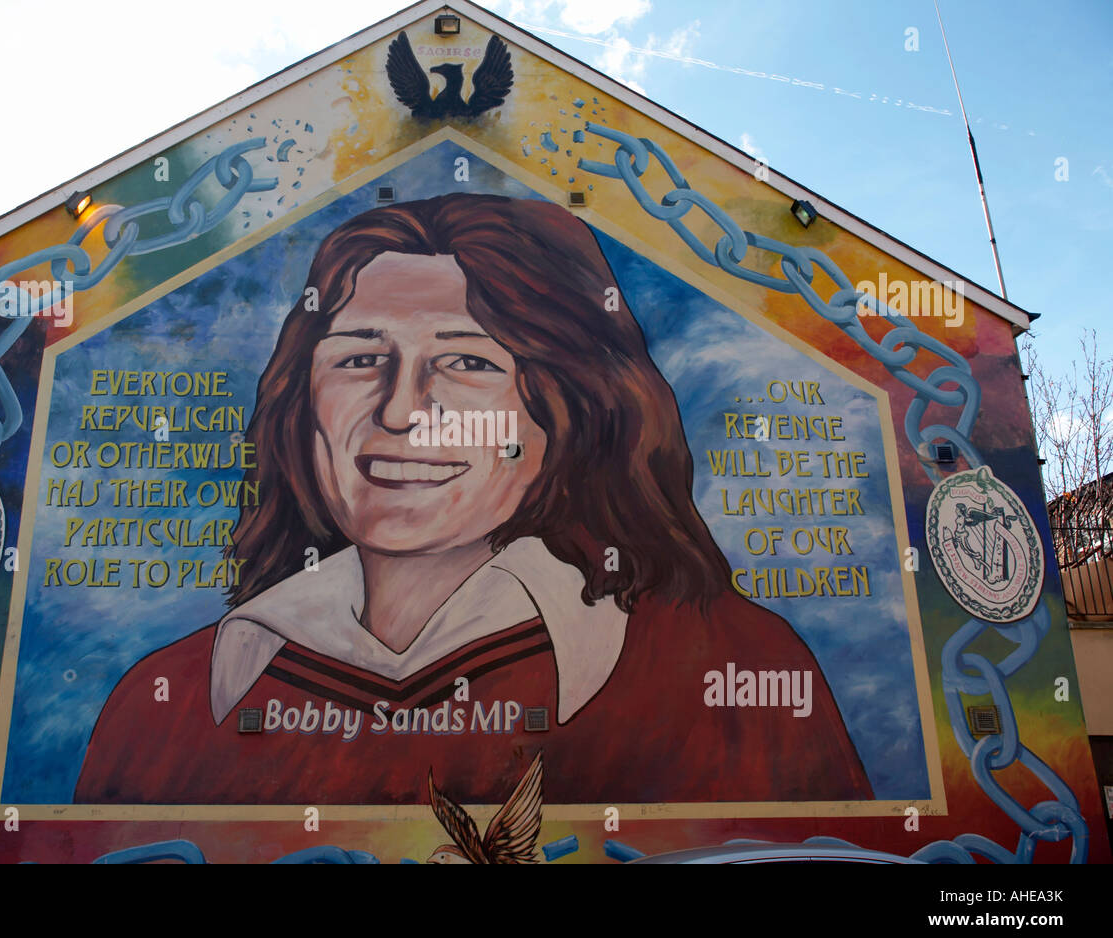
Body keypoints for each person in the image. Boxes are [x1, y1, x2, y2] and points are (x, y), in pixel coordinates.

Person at [75, 193, 873, 806]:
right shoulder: (173, 701)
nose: (399, 411)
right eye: (359, 361)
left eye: (468, 364)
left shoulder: (728, 670)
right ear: (302, 398)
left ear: (568, 408)